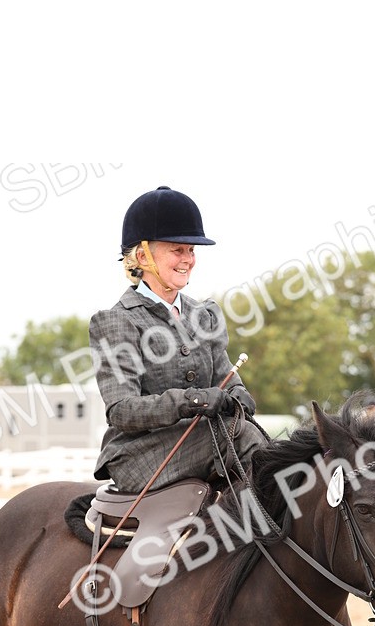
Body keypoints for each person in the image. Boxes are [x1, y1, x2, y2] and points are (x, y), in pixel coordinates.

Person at [89, 186, 266, 491]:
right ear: (143, 256)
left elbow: (225, 376)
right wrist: (192, 401)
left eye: (192, 250)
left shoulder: (204, 314)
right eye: (177, 249)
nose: (188, 259)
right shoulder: (117, 321)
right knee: (242, 436)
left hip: (207, 439)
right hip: (141, 454)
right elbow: (121, 410)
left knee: (272, 444)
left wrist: (239, 393)